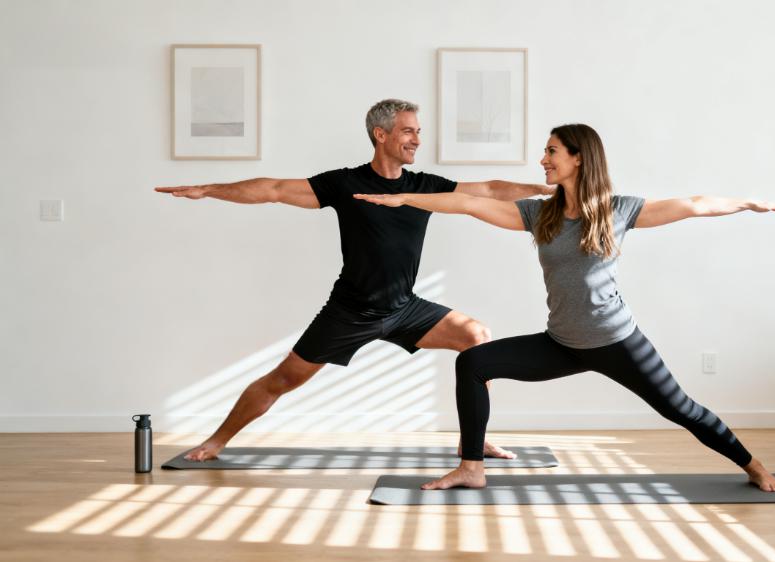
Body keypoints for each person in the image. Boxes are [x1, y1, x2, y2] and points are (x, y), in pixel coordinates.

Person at [354, 123, 775, 491]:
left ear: (579, 157)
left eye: (551, 152)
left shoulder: (616, 210)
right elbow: (470, 203)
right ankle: (472, 467)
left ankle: (753, 466)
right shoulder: (539, 214)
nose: (543, 160)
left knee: (681, 409)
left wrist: (747, 203)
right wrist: (404, 198)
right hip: (562, 342)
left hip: (616, 341)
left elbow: (694, 205)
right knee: (472, 362)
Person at [154, 99, 551, 461]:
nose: (417, 139)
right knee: (283, 378)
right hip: (350, 311)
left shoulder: (423, 186)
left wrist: (544, 189)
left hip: (404, 307)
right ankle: (217, 440)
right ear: (382, 135)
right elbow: (273, 189)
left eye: (417, 131)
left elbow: (490, 189)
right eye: (409, 131)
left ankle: (473, 440)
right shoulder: (345, 184)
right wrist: (209, 189)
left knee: (476, 338)